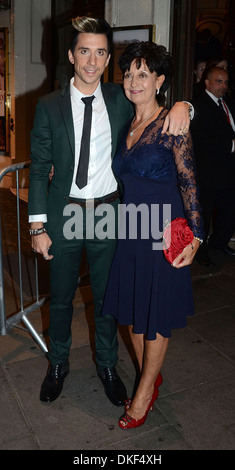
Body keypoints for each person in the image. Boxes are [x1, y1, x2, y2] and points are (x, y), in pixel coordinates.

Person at [28, 16, 193, 406]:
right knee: (63, 297)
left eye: (100, 52)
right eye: (84, 51)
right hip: (64, 213)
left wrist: (187, 105)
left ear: (106, 59)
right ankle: (58, 363)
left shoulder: (122, 98)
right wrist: (37, 226)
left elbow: (159, 108)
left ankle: (106, 364)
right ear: (71, 55)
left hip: (108, 214)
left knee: (107, 300)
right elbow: (38, 167)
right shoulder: (48, 105)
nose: (92, 61)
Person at [101, 40, 204, 429]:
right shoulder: (128, 121)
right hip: (131, 228)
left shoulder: (172, 123)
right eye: (128, 73)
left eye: (143, 74)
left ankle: (144, 394)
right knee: (132, 310)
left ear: (160, 80)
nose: (133, 81)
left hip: (163, 231)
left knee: (155, 316)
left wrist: (196, 236)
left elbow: (189, 179)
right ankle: (151, 373)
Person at [191, 66, 235, 267]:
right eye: (219, 81)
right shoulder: (197, 105)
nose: (223, 86)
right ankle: (201, 253)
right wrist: (232, 145)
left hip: (228, 171)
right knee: (205, 213)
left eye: (225, 82)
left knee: (229, 210)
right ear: (207, 83)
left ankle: (219, 243)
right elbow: (202, 139)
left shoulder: (228, 103)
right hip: (208, 172)